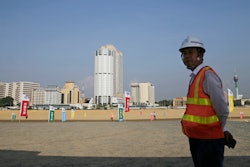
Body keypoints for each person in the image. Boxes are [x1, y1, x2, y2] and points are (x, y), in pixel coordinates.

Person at [179, 36, 236, 167]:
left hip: (209, 141)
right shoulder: (195, 77)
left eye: (190, 52)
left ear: (200, 54)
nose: (186, 56)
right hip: (196, 138)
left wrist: (221, 128)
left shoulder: (208, 76)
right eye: (184, 53)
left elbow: (222, 108)